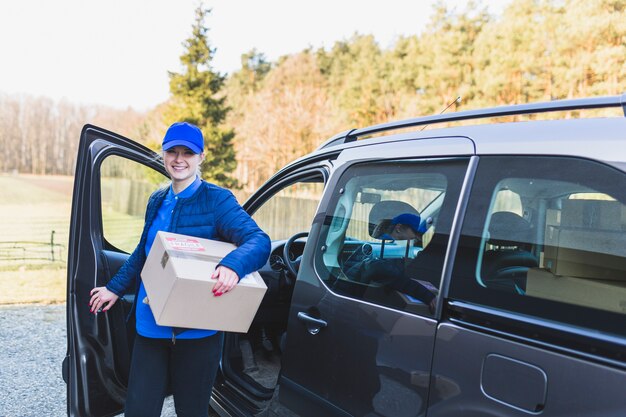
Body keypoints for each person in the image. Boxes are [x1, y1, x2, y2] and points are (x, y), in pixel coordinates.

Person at [88, 122, 271, 417]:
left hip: (197, 332)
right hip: (150, 326)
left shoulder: (217, 200)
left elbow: (258, 241)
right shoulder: (157, 200)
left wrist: (233, 267)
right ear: (163, 154)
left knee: (191, 412)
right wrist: (114, 288)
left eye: (188, 152)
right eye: (172, 151)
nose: (179, 159)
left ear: (201, 157)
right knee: (139, 410)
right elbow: (145, 252)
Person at [350, 213, 437, 312]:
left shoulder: (389, 248)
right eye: (415, 233)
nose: (419, 238)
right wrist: (426, 295)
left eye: (420, 235)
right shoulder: (381, 249)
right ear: (398, 228)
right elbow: (392, 275)